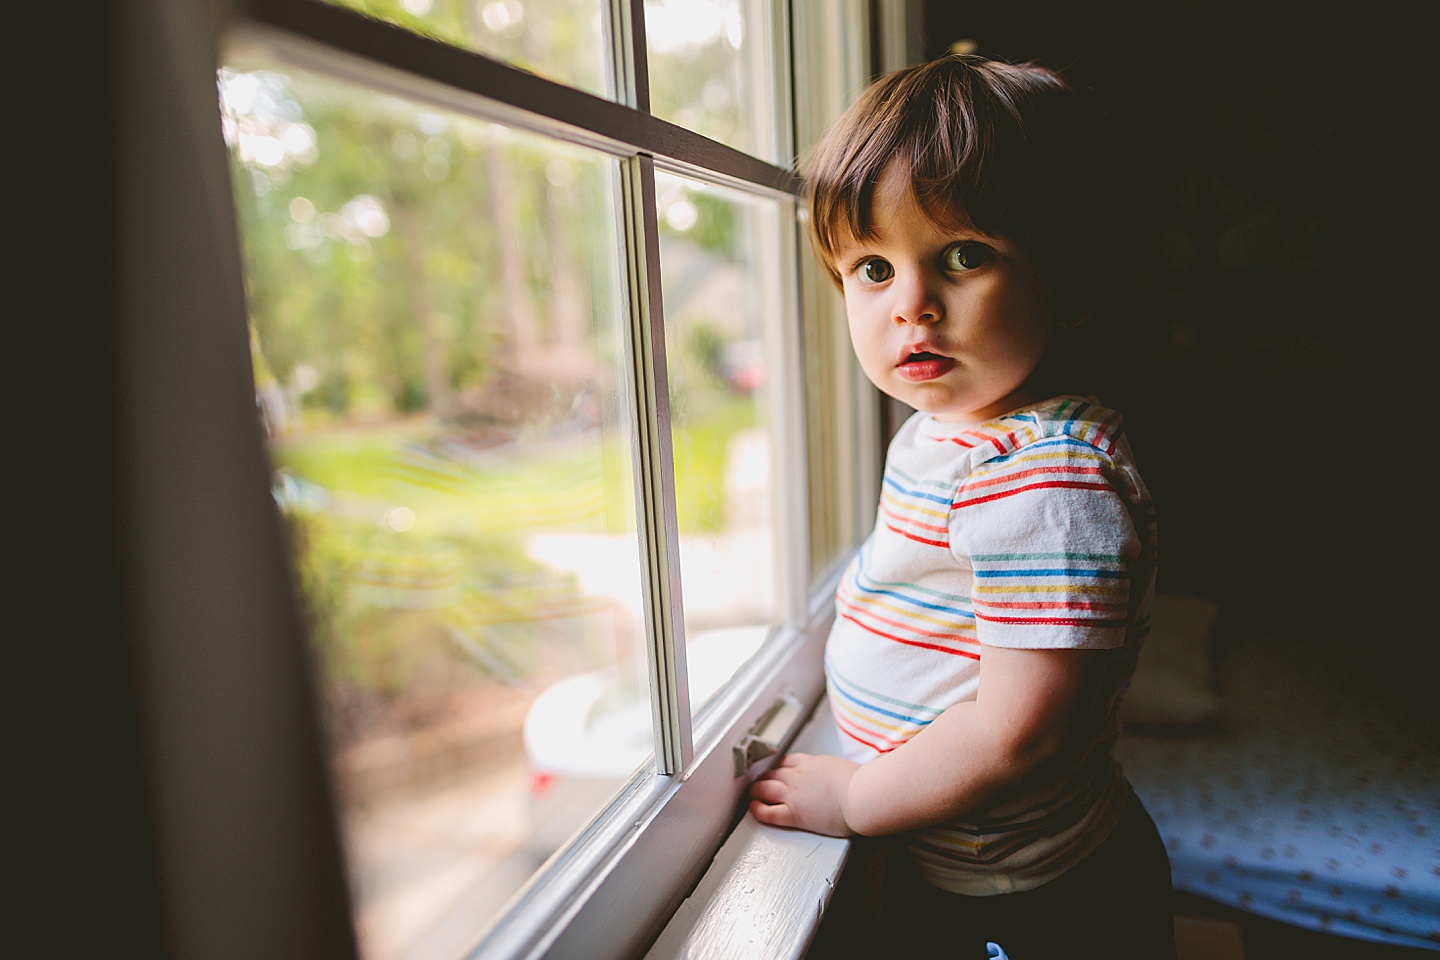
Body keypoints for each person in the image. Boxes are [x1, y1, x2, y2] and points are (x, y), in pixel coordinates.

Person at [748, 54, 1176, 959]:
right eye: (871, 268)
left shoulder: (1046, 479)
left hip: (1038, 894)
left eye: (964, 256)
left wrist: (857, 799)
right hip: (977, 857)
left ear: (1074, 279)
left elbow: (1020, 735)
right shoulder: (954, 430)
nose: (912, 307)